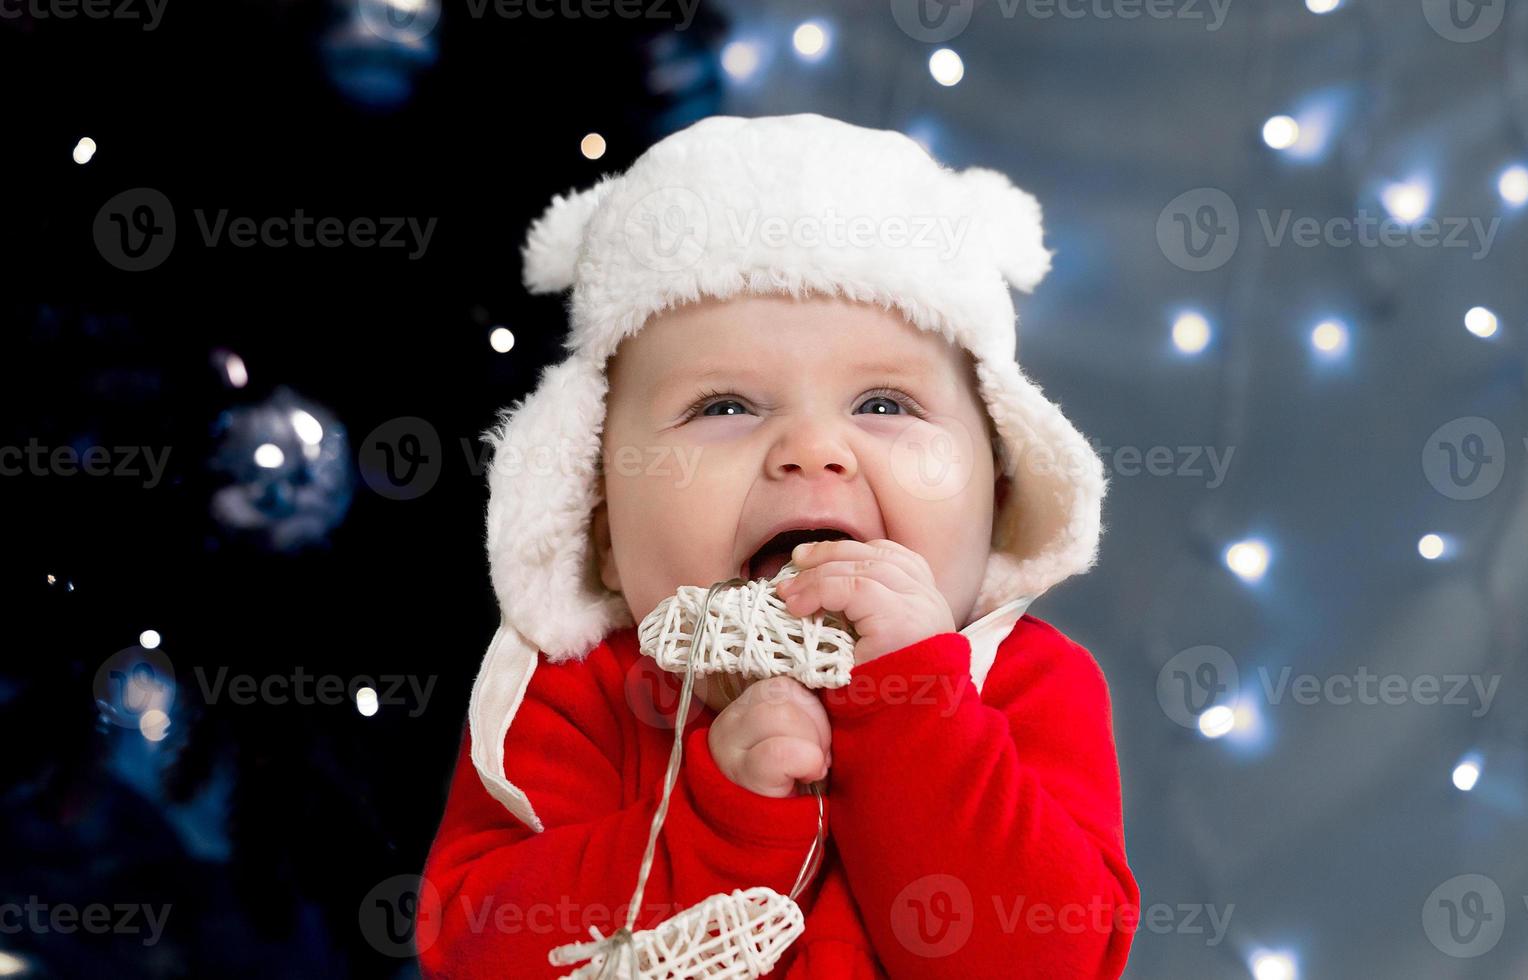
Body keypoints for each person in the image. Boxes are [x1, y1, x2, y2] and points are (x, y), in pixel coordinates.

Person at [419, 113, 1139, 978]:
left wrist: (914, 709)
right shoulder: (577, 696)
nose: (812, 448)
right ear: (602, 528)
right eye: (725, 407)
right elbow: (472, 953)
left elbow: (1047, 961)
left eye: (884, 404)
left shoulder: (1025, 686)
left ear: (1002, 494)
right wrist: (713, 823)